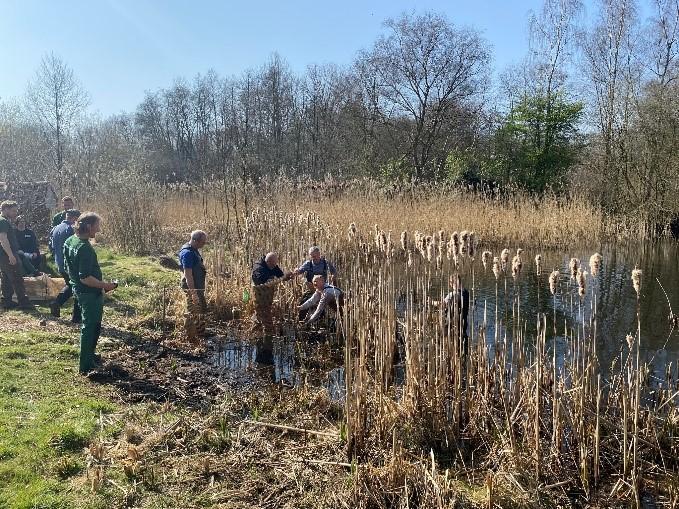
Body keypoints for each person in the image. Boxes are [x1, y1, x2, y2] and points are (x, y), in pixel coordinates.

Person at [63, 212, 117, 373]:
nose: (98, 230)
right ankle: (85, 366)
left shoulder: (70, 241)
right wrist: (105, 285)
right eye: (96, 226)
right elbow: (85, 277)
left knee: (94, 324)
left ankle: (90, 355)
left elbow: (67, 268)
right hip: (88, 293)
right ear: (88, 227)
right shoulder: (84, 248)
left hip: (78, 290)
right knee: (90, 326)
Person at [49, 209, 81, 322]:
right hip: (70, 264)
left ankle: (56, 303)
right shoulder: (71, 229)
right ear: (75, 218)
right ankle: (77, 317)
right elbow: (74, 248)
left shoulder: (56, 228)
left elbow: (51, 246)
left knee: (70, 285)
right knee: (78, 287)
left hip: (59, 263)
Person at [0, 201, 33, 310]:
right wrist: (10, 255)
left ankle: (7, 301)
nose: (15, 213)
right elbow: (3, 239)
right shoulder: (3, 221)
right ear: (6, 209)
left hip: (3, 256)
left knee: (6, 279)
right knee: (17, 277)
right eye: (13, 210)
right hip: (6, 255)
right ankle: (24, 302)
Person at [251, 252, 292, 334]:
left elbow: (281, 275)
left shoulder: (272, 265)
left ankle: (255, 332)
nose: (274, 266)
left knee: (260, 315)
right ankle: (268, 338)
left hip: (268, 296)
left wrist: (288, 276)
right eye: (273, 264)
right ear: (268, 262)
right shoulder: (258, 269)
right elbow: (265, 284)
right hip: (259, 294)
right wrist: (281, 278)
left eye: (275, 264)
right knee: (265, 315)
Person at [292, 246, 338, 321]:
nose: (314, 258)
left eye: (315, 256)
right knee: (305, 300)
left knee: (323, 304)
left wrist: (333, 276)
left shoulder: (325, 263)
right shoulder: (308, 264)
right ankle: (302, 320)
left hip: (322, 288)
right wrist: (297, 271)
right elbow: (299, 271)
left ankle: (319, 320)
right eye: (312, 256)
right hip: (311, 288)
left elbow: (334, 271)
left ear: (319, 254)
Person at [178, 230, 208, 339]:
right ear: (195, 240)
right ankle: (192, 337)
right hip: (192, 288)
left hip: (197, 288)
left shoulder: (193, 249)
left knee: (200, 311)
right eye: (203, 242)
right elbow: (188, 275)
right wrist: (193, 293)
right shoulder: (188, 253)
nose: (204, 244)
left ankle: (200, 335)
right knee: (193, 313)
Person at [443, 274, 470, 352]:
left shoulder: (453, 295)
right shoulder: (466, 292)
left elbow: (442, 304)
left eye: (451, 282)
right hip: (463, 323)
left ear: (453, 283)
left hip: (453, 325)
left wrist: (431, 302)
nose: (450, 284)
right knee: (463, 344)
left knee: (451, 345)